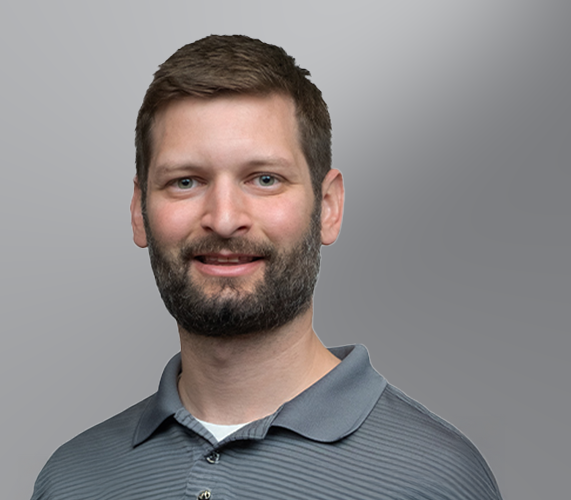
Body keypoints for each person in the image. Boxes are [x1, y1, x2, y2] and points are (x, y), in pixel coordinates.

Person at [30, 35, 502, 500]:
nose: (224, 219)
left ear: (329, 206)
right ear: (139, 211)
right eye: (186, 181)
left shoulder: (437, 480)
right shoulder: (71, 481)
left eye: (265, 179)